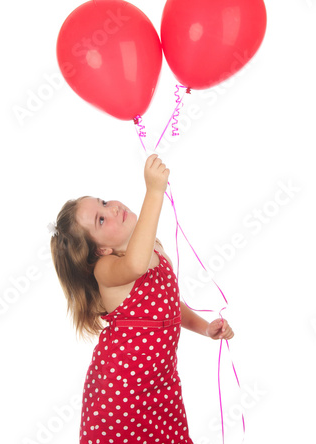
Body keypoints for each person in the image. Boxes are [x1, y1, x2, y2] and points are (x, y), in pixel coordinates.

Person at [49, 153, 234, 444]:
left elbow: (171, 307)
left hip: (162, 386)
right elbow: (134, 265)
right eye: (100, 219)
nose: (112, 209)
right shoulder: (106, 271)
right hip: (120, 393)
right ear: (100, 251)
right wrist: (154, 191)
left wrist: (206, 328)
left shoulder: (154, 250)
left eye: (104, 202)